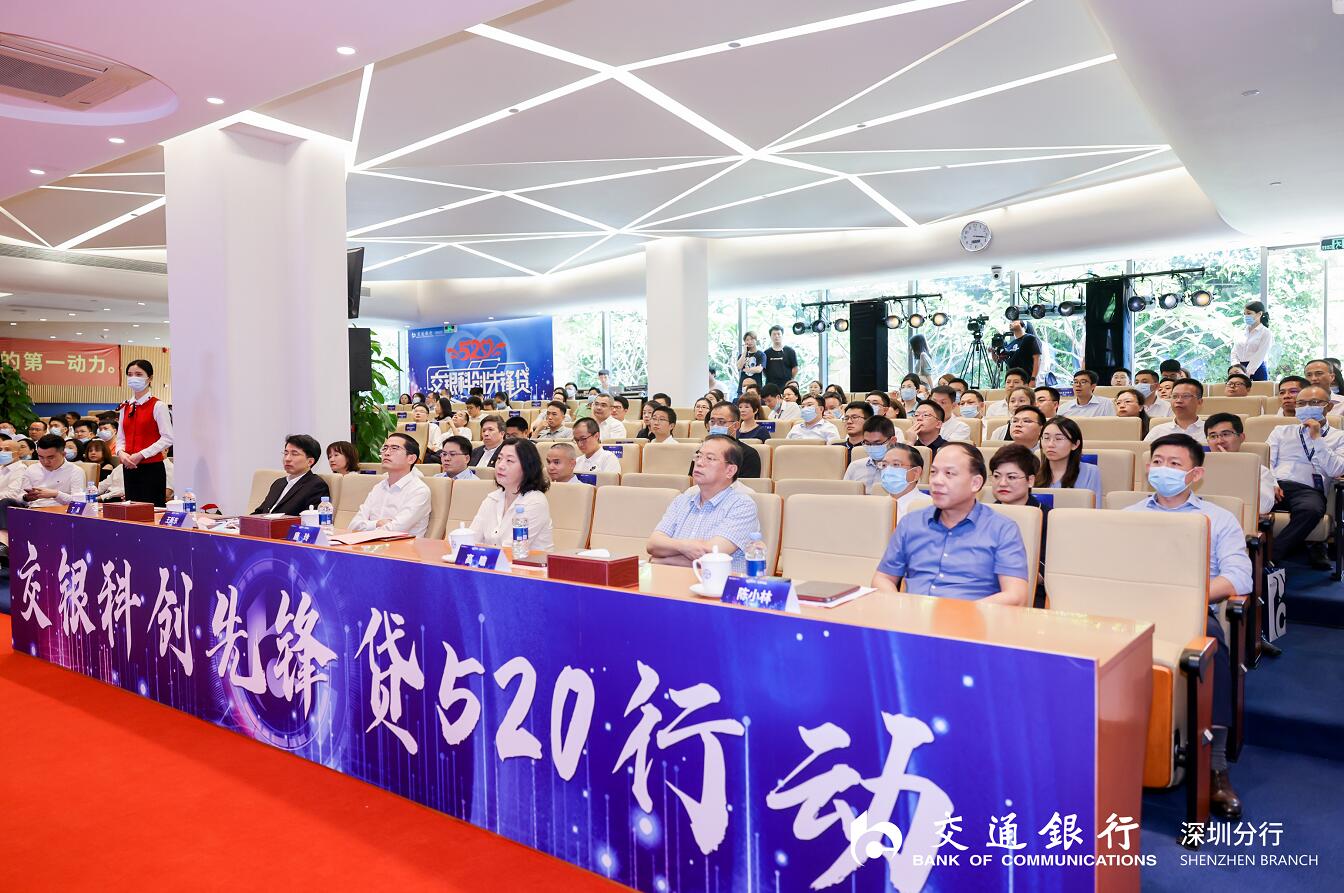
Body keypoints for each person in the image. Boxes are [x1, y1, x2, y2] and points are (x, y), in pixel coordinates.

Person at [1124, 433, 1251, 819]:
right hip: (1129, 610)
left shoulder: (1218, 517)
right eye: (1157, 461)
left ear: (1195, 474)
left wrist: (1186, 593)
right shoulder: (1127, 515)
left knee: (1211, 646)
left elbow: (1239, 577)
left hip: (1190, 612)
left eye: (1174, 464)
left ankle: (1215, 767)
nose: (1163, 469)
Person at [871, 442, 1029, 604]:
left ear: (975, 483)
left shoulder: (1002, 529)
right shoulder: (911, 523)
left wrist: (961, 613)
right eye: (933, 472)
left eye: (949, 473)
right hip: (913, 614)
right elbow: (883, 578)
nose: (937, 481)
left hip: (972, 617)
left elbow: (1015, 595)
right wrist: (899, 605)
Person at [648, 435, 761, 572]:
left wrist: (662, 560)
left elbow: (711, 555)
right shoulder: (682, 500)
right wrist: (685, 546)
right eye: (698, 456)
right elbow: (653, 544)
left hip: (720, 583)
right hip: (672, 580)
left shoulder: (742, 505)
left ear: (730, 471)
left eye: (710, 458)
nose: (700, 463)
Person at [1266, 385, 1344, 568]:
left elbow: (1336, 470)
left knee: (1311, 510)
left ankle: (1269, 557)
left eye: (1314, 402)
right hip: (1275, 484)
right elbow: (1266, 460)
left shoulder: (1339, 437)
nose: (1307, 407)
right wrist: (1271, 483)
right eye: (1301, 403)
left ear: (1329, 407)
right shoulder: (1280, 431)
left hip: (1308, 490)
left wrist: (1317, 438)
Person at [467, 437, 553, 552]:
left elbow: (513, 549)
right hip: (494, 561)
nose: (500, 465)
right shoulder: (492, 498)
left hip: (526, 562)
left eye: (509, 461)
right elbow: (472, 539)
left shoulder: (535, 502)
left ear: (527, 467)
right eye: (499, 458)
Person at [990, 443, 1049, 609]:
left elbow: (1046, 573)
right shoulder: (982, 514)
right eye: (996, 476)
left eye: (1011, 477)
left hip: (1032, 596)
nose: (1002, 483)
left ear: (1030, 480)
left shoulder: (1048, 518)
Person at [348, 432, 431, 537]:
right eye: (385, 448)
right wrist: (377, 523)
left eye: (394, 448)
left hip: (402, 546)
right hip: (368, 544)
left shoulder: (419, 491)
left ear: (411, 459)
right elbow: (353, 525)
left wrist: (367, 528)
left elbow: (394, 530)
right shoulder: (378, 487)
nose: (386, 453)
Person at [115, 359, 173, 506]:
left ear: (150, 378)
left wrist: (141, 454)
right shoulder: (125, 406)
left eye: (139, 374)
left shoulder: (158, 405)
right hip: (129, 466)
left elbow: (168, 438)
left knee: (152, 510)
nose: (133, 378)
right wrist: (121, 453)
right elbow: (120, 437)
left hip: (151, 468)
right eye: (130, 374)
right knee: (132, 509)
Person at [1204, 413, 1277, 517]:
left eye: (1226, 434)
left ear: (1241, 437)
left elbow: (1263, 507)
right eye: (1213, 436)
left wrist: (1232, 468)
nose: (1219, 441)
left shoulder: (1259, 471)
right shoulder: (1197, 470)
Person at [252, 435, 330, 515]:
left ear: (310, 462)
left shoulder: (316, 486)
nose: (287, 459)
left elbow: (311, 518)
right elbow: (260, 512)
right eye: (286, 453)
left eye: (294, 454)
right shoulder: (278, 483)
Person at [1037, 417, 1103, 508]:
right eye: (1046, 438)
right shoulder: (1033, 472)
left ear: (1075, 444)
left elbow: (1094, 509)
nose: (1050, 444)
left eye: (1059, 439)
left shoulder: (1090, 471)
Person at [695, 401, 763, 479]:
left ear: (735, 426)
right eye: (712, 422)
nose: (715, 426)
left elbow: (746, 484)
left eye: (721, 422)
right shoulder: (701, 452)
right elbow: (694, 480)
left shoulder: (748, 454)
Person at [19, 433, 88, 509]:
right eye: (41, 457)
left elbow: (79, 502)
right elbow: (19, 497)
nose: (45, 462)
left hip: (60, 511)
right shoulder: (32, 469)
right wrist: (26, 498)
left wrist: (56, 494)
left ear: (63, 454)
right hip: (33, 509)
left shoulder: (75, 471)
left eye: (50, 457)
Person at [843, 415, 901, 493]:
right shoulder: (855, 466)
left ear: (892, 441)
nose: (872, 447)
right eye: (867, 443)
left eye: (877, 443)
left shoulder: (903, 468)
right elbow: (845, 495)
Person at [1145, 378, 1206, 443]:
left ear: (1199, 402)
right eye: (1174, 396)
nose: (1179, 400)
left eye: (1185, 396)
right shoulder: (1158, 431)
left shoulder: (1209, 431)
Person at [874, 443, 925, 514]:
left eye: (896, 464)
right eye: (884, 465)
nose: (888, 470)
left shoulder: (929, 507)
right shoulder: (874, 506)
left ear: (916, 472)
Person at [1231, 301, 1273, 380]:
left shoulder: (1266, 333)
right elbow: (1234, 352)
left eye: (1249, 313)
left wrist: (1246, 372)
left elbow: (1260, 354)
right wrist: (1236, 368)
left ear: (1259, 314)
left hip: (1257, 369)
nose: (1246, 316)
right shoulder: (1240, 332)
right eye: (1244, 314)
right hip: (1239, 370)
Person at [762, 325, 799, 390]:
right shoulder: (766, 353)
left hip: (786, 384)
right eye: (774, 334)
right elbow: (763, 369)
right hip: (770, 385)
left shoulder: (790, 351)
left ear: (782, 335)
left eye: (778, 334)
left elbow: (795, 368)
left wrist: (790, 379)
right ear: (770, 336)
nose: (776, 336)